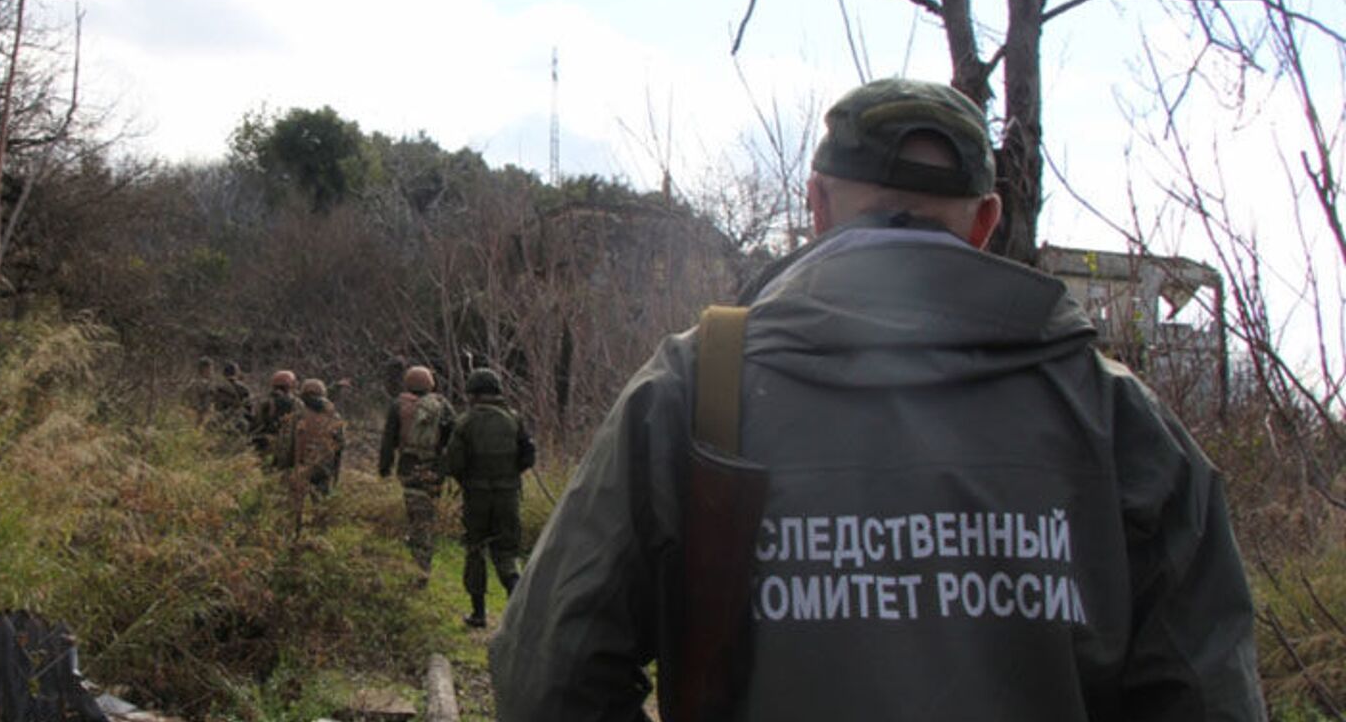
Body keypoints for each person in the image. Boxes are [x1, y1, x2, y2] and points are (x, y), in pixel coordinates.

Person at [490, 78, 1263, 720]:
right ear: (986, 222)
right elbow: (1209, 699)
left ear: (818, 204)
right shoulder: (1118, 419)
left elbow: (549, 678)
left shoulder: (695, 388)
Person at [441, 368, 535, 628]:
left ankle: (479, 613)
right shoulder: (514, 419)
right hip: (508, 495)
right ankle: (518, 614)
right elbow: (528, 457)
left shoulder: (465, 422)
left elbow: (454, 463)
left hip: (476, 496)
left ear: (473, 393)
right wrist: (509, 476)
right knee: (507, 551)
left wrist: (467, 480)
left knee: (475, 549)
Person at [377, 365, 454, 583]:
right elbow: (455, 438)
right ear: (430, 383)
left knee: (417, 517)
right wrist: (447, 468)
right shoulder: (442, 406)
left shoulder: (398, 405)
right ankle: (420, 564)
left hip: (409, 468)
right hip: (435, 470)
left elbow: (388, 440)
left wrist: (385, 468)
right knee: (426, 517)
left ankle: (420, 570)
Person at [272, 378, 345, 498]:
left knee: (290, 502)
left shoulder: (297, 414)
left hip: (298, 465)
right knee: (321, 503)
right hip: (323, 467)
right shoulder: (334, 416)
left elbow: (286, 443)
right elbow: (340, 446)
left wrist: (281, 465)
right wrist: (335, 473)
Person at [249, 370, 299, 459]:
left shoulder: (263, 401)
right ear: (291, 385)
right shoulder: (297, 403)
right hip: (287, 449)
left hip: (264, 446)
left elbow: (255, 424)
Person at [210, 361, 254, 432]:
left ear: (224, 374)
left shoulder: (218, 387)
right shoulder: (244, 389)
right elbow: (249, 409)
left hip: (220, 421)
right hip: (238, 422)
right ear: (237, 373)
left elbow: (212, 406)